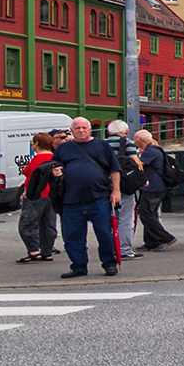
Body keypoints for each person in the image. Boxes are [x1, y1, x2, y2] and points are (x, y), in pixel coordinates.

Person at [51, 117, 122, 278]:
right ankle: (78, 266)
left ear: (90, 130)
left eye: (84, 127)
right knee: (72, 236)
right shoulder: (63, 149)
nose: (81, 130)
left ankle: (109, 264)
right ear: (72, 130)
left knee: (104, 233)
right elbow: (54, 166)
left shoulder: (102, 145)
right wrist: (54, 171)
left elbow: (114, 169)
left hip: (99, 198)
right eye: (77, 128)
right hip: (71, 200)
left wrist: (116, 191)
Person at [17, 131, 59, 263]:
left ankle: (33, 250)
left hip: (36, 194)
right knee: (48, 224)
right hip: (52, 195)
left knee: (28, 223)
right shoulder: (55, 158)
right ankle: (47, 251)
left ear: (36, 144)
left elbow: (28, 173)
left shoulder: (37, 159)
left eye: (33, 142)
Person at [133, 130, 177, 252]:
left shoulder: (150, 151)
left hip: (154, 188)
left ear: (141, 139)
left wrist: (129, 157)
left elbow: (139, 164)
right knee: (148, 214)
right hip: (154, 187)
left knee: (147, 214)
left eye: (135, 139)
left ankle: (165, 238)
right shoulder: (153, 150)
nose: (134, 142)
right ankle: (151, 242)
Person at [106, 120, 143, 260]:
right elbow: (135, 161)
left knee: (109, 217)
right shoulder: (127, 142)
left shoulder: (102, 143)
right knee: (125, 218)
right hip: (124, 184)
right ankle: (124, 249)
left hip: (105, 183)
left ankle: (109, 247)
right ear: (126, 131)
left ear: (109, 132)